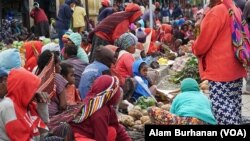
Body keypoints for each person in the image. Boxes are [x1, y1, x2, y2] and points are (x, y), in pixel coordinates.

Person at [192, 0, 247, 125]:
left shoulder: (217, 12)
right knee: (233, 110)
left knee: (223, 114)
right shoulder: (233, 7)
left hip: (220, 71)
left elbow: (201, 45)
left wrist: (194, 46)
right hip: (236, 68)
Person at [71, 75, 132, 141]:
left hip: (86, 134)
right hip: (76, 137)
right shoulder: (100, 110)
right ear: (110, 93)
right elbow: (101, 136)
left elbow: (118, 129)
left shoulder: (101, 104)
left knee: (112, 130)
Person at [0, 68, 50, 140]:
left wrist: (42, 103)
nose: (36, 93)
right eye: (32, 89)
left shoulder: (25, 104)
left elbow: (44, 125)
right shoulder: (8, 106)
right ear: (24, 88)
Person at [148, 78, 217, 125]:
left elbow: (172, 113)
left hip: (186, 121)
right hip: (205, 123)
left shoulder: (179, 96)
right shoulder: (204, 97)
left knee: (151, 109)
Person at [36, 50, 67, 116]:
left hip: (37, 114)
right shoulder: (57, 77)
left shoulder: (36, 77)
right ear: (52, 65)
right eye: (59, 64)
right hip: (53, 115)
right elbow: (63, 105)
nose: (60, 68)